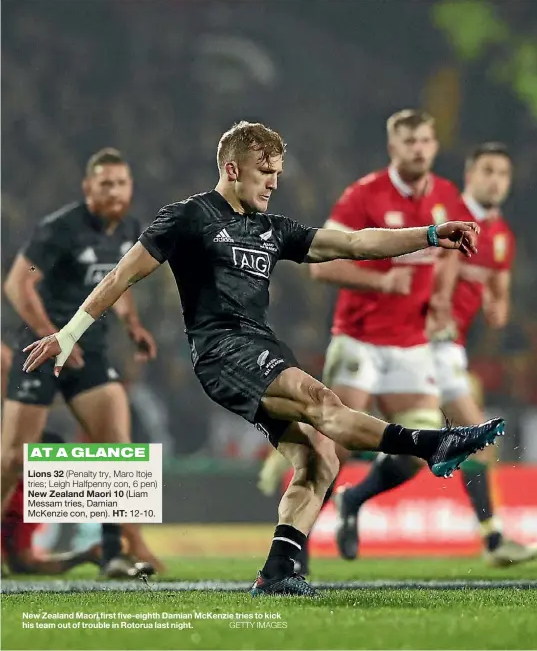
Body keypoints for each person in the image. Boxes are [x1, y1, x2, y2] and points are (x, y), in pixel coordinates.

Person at [22, 121, 505, 597]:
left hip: (263, 346)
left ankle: (278, 570)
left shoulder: (273, 229)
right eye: (264, 171)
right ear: (232, 169)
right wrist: (67, 334)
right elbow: (122, 275)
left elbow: (355, 243)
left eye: (277, 171)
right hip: (221, 349)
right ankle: (432, 445)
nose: (274, 182)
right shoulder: (190, 217)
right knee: (320, 399)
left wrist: (431, 232)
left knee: (319, 458)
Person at [259, 108, 466, 573]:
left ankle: (354, 502)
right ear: (393, 147)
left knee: (418, 451)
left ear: (434, 145)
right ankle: (297, 553)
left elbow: (452, 253)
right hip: (360, 339)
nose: (418, 148)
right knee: (334, 444)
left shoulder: (447, 196)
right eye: (409, 141)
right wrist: (381, 284)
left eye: (426, 140)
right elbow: (320, 265)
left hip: (411, 343)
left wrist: (442, 299)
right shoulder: (364, 195)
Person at [334, 142, 537, 567]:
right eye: (487, 171)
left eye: (503, 174)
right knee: (475, 437)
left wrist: (497, 308)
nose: (496, 181)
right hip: (417, 341)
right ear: (470, 175)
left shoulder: (502, 238)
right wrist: (437, 306)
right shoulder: (443, 214)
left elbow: (498, 295)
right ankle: (494, 539)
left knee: (417, 453)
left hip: (449, 347)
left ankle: (353, 498)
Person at [2, 148, 158, 579]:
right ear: (87, 188)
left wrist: (132, 322)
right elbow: (17, 285)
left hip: (89, 352)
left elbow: (117, 281)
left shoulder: (128, 229)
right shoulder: (58, 230)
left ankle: (113, 554)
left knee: (117, 448)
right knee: (14, 459)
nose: (114, 191)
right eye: (105, 183)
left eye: (121, 183)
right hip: (41, 348)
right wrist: (53, 333)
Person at [1, 430, 164, 576]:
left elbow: (22, 563)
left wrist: (84, 556)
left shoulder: (25, 498)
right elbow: (23, 563)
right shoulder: (24, 498)